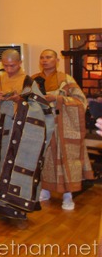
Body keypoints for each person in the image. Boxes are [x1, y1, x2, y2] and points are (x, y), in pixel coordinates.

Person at [0, 49, 55, 222]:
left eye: (12, 65)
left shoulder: (28, 82)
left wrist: (18, 100)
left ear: (20, 62)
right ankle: (0, 208)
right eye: (5, 66)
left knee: (18, 169)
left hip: (21, 134)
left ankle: (19, 212)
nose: (9, 69)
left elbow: (41, 106)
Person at [32, 49, 93, 210]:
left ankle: (68, 195)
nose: (45, 60)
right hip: (40, 125)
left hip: (62, 126)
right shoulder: (33, 79)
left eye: (49, 57)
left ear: (57, 60)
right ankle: (45, 190)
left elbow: (80, 101)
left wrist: (58, 98)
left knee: (66, 159)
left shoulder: (66, 79)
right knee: (44, 158)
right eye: (42, 57)